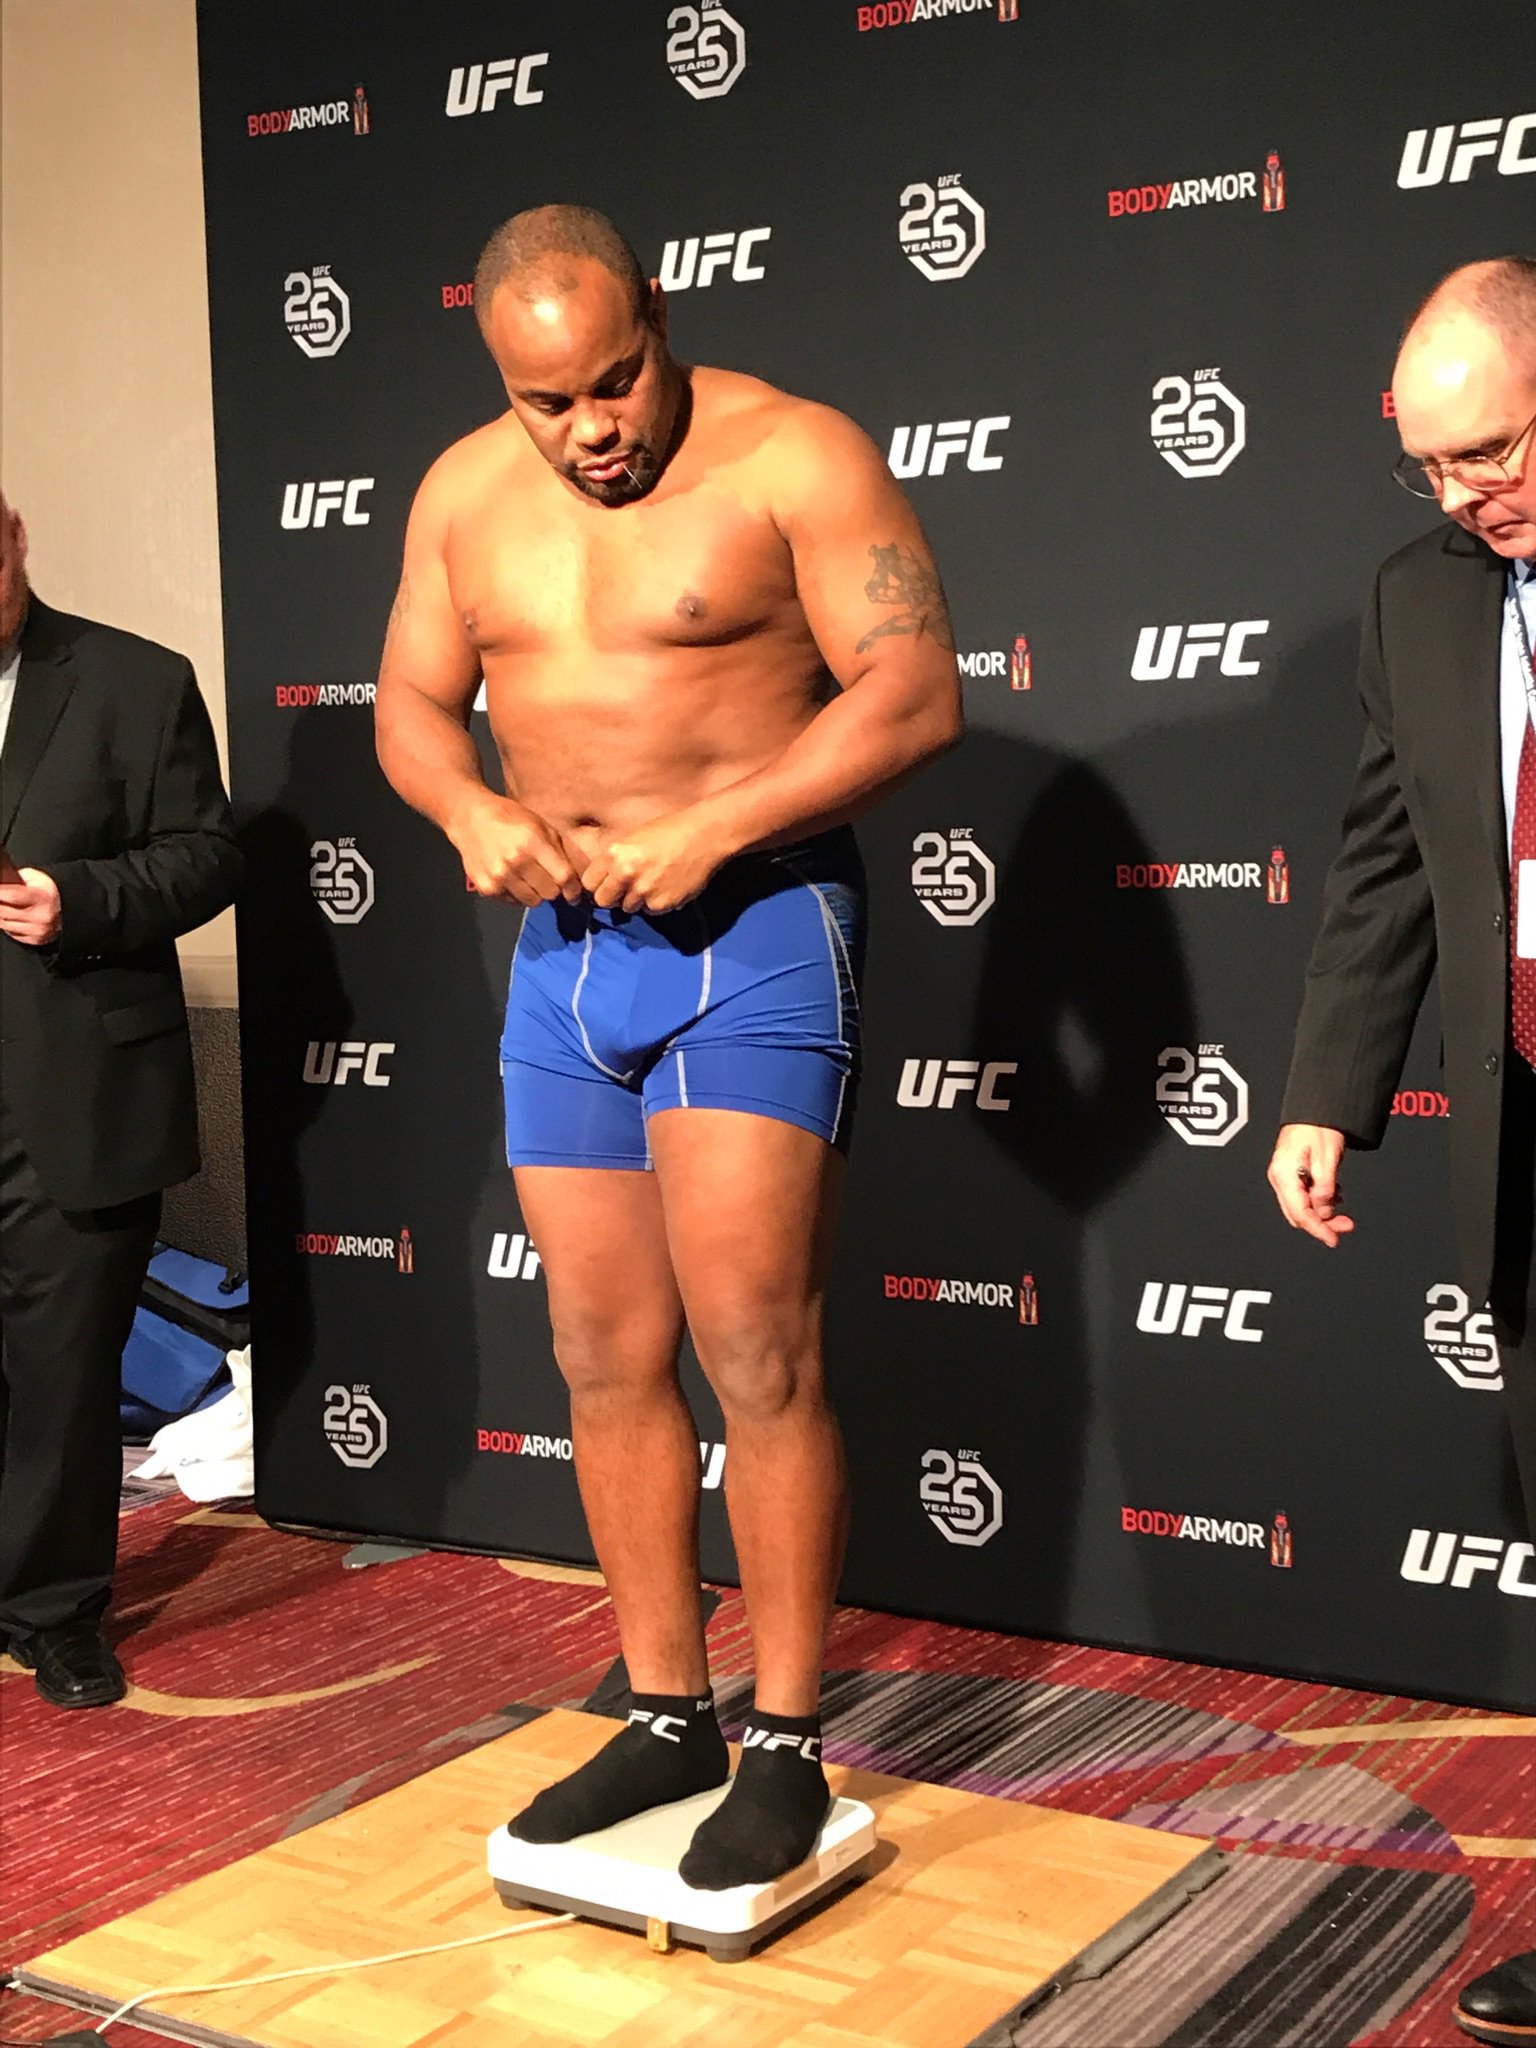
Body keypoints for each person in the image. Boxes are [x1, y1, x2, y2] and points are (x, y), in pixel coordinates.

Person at [375, 205, 960, 1887]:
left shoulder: (795, 455)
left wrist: (718, 825)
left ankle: (781, 1737)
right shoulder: (461, 494)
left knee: (757, 1345)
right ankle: (663, 1709)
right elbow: (409, 703)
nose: (593, 429)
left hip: (758, 933)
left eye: (615, 381)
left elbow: (914, 689)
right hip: (568, 960)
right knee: (599, 1348)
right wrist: (465, 807)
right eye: (549, 402)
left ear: (658, 310)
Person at [1268, 257, 1536, 2048]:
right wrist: (1324, 1088)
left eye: (1493, 450)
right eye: (1431, 465)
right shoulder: (1418, 597)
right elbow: (1385, 860)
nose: (1462, 494)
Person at [0, 494, 243, 1708]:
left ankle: (52, 1612)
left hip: (72, 1087)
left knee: (62, 1368)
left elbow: (206, 852)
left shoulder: (135, 680)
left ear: (15, 539)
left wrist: (77, 900)